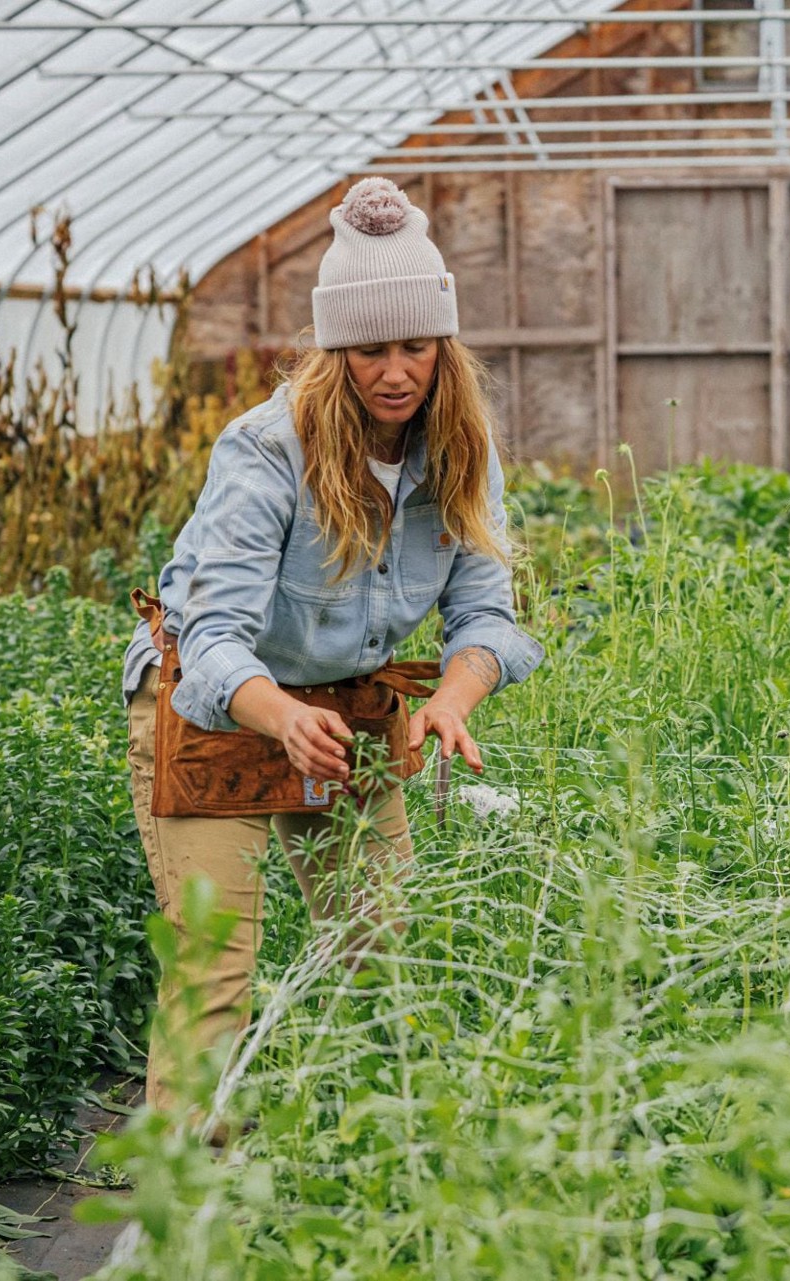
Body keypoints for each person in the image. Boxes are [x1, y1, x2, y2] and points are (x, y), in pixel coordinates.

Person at [122, 177, 543, 1118]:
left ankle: (364, 1168)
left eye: (415, 346)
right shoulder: (268, 451)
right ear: (334, 351)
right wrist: (280, 715)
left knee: (378, 953)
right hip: (216, 703)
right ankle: (189, 1211)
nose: (395, 371)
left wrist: (452, 700)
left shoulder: (461, 454)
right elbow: (214, 636)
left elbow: (490, 617)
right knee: (214, 961)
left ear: (443, 348)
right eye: (369, 349)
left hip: (345, 709)